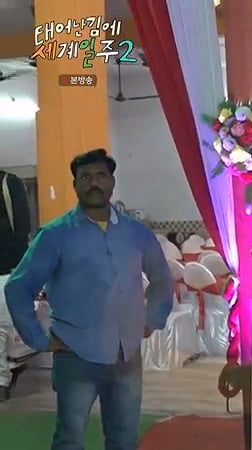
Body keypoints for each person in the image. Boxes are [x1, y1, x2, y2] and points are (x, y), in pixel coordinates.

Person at [4, 149, 174, 450]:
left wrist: (152, 319)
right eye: (85, 177)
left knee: (124, 439)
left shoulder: (136, 234)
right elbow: (18, 287)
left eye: (100, 175)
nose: (93, 182)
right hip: (75, 356)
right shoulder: (54, 236)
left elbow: (162, 278)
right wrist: (38, 339)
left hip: (126, 357)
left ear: (112, 181)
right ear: (75, 185)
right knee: (70, 440)